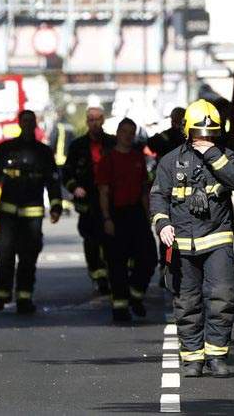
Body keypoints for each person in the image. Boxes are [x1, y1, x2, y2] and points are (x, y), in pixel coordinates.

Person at [150, 99, 234, 378]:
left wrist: (214, 155)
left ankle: (217, 355)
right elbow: (157, 197)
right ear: (187, 131)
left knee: (221, 297)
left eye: (211, 134)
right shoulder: (170, 161)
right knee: (187, 300)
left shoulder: (226, 155)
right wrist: (163, 224)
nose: (205, 138)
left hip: (216, 239)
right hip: (181, 243)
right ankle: (192, 357)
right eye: (200, 134)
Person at [0, 110, 63, 314]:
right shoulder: (5, 149)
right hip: (8, 213)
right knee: (4, 253)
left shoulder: (43, 151)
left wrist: (56, 206)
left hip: (32, 214)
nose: (27, 125)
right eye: (24, 121)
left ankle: (24, 297)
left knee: (28, 257)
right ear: (19, 123)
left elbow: (52, 180)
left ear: (35, 124)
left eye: (30, 121)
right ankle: (1, 295)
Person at [96, 117, 157, 323]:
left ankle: (135, 295)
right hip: (116, 214)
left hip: (136, 214)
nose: (128, 136)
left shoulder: (138, 158)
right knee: (117, 264)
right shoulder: (109, 159)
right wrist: (107, 219)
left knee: (149, 257)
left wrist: (149, 216)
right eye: (125, 132)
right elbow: (103, 192)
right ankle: (120, 307)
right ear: (118, 133)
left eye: (132, 132)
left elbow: (143, 191)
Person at [62, 106, 115, 294]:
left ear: (103, 121)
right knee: (91, 241)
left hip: (109, 200)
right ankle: (98, 275)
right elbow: (67, 172)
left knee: (110, 240)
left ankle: (110, 273)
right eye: (91, 119)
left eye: (97, 119)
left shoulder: (112, 143)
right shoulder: (77, 146)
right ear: (87, 122)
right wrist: (74, 187)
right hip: (87, 203)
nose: (94, 123)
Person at [147, 106, 186, 284]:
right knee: (165, 232)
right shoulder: (167, 137)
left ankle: (176, 268)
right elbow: (152, 143)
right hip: (167, 191)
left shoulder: (187, 138)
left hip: (185, 193)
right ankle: (166, 268)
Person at [48, 114, 76, 213]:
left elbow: (52, 140)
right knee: (67, 180)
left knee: (60, 182)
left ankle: (63, 204)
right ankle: (67, 202)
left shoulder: (58, 127)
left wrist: (51, 152)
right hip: (69, 159)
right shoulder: (71, 127)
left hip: (59, 159)